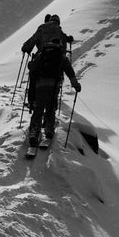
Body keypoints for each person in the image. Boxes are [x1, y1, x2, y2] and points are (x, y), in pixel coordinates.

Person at [21, 14, 81, 156]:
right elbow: (68, 69)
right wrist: (75, 84)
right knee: (51, 106)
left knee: (38, 106)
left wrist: (26, 50)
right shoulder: (59, 37)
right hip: (55, 81)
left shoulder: (42, 30)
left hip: (40, 79)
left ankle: (34, 133)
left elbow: (30, 46)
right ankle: (48, 131)